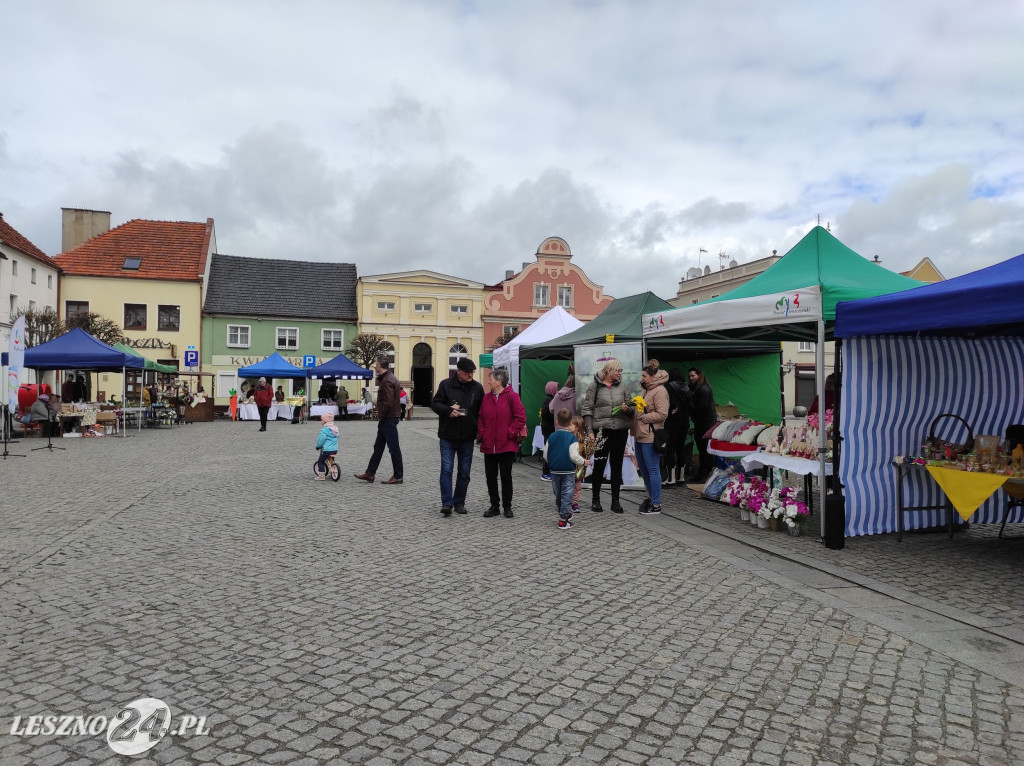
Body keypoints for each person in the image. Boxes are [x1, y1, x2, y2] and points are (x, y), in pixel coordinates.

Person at [431, 357, 484, 516]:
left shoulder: (477, 388)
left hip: (467, 437)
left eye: (472, 372)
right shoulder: (445, 385)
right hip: (448, 435)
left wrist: (480, 430)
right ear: (458, 371)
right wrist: (448, 410)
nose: (470, 375)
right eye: (467, 372)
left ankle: (459, 502)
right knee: (446, 470)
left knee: (464, 472)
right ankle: (447, 503)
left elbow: (482, 412)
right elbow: (435, 404)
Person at [580, 359, 631, 513]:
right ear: (609, 371)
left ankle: (616, 501)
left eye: (621, 371)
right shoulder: (594, 386)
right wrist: (589, 431)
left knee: (617, 465)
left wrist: (628, 409)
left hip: (620, 430)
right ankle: (596, 499)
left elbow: (632, 408)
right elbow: (587, 410)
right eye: (618, 370)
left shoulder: (623, 386)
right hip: (602, 431)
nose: (620, 373)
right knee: (600, 465)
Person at [477, 366, 526, 518]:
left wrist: (510, 432)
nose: (488, 381)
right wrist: (483, 433)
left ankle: (507, 506)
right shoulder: (486, 398)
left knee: (506, 476)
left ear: (499, 381)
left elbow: (520, 417)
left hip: (506, 445)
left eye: (490, 379)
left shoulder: (512, 396)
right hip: (489, 445)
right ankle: (494, 505)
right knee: (490, 477)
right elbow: (481, 418)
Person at [623, 364, 670, 514]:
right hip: (639, 434)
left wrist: (643, 417)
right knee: (643, 469)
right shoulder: (646, 390)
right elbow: (641, 409)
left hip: (650, 435)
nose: (641, 378)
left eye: (644, 376)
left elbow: (662, 414)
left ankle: (656, 503)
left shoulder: (660, 391)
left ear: (653, 376)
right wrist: (631, 412)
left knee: (652, 470)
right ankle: (651, 498)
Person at [354, 356, 404, 484]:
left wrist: (381, 415)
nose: (375, 366)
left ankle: (398, 476)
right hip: (388, 417)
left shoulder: (387, 380)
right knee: (379, 446)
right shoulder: (389, 378)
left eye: (376, 364)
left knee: (393, 447)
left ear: (380, 365)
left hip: (388, 418)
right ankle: (370, 473)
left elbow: (388, 402)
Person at [544, 408, 586, 530]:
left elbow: (546, 454)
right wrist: (583, 462)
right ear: (569, 423)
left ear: (557, 421)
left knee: (558, 491)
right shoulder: (572, 439)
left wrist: (552, 463)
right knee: (567, 492)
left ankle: (561, 509)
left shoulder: (552, 436)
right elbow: (574, 456)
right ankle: (563, 519)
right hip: (568, 470)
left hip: (555, 470)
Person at [663, 368, 693, 486]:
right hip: (684, 421)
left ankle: (671, 478)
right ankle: (681, 477)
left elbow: (666, 403)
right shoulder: (687, 388)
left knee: (670, 448)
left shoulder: (668, 387)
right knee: (680, 448)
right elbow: (691, 405)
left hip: (671, 421)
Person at [689, 367, 717, 483]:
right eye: (690, 376)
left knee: (705, 450)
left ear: (699, 375)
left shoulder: (703, 388)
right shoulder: (699, 387)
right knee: (703, 450)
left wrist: (691, 409)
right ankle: (702, 473)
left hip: (705, 423)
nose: (691, 378)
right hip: (702, 422)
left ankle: (706, 474)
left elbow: (702, 406)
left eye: (693, 376)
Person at [539, 381, 558, 480]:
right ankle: (546, 473)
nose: (558, 390)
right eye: (556, 388)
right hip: (549, 429)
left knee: (549, 450)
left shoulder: (551, 399)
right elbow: (546, 413)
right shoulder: (549, 400)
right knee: (549, 450)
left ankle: (548, 472)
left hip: (548, 428)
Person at [314, 412, 339, 480]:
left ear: (325, 421)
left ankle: (321, 475)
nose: (321, 421)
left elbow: (321, 439)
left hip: (327, 449)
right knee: (331, 459)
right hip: (334, 449)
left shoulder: (324, 430)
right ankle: (332, 469)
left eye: (321, 420)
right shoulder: (335, 428)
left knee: (321, 461)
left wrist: (318, 446)